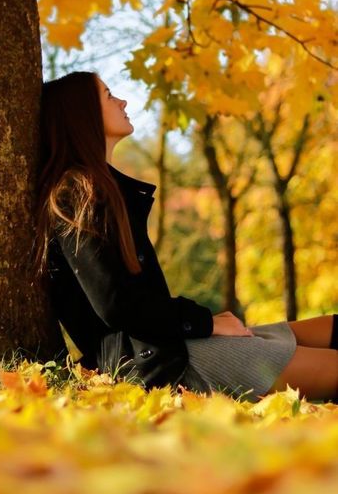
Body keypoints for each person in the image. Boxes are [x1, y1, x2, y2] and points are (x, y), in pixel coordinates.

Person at [34, 71, 338, 402]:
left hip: (165, 345)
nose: (122, 101)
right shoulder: (78, 195)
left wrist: (204, 324)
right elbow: (118, 306)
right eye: (108, 96)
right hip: (157, 363)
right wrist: (205, 323)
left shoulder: (100, 189)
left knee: (327, 328)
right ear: (83, 113)